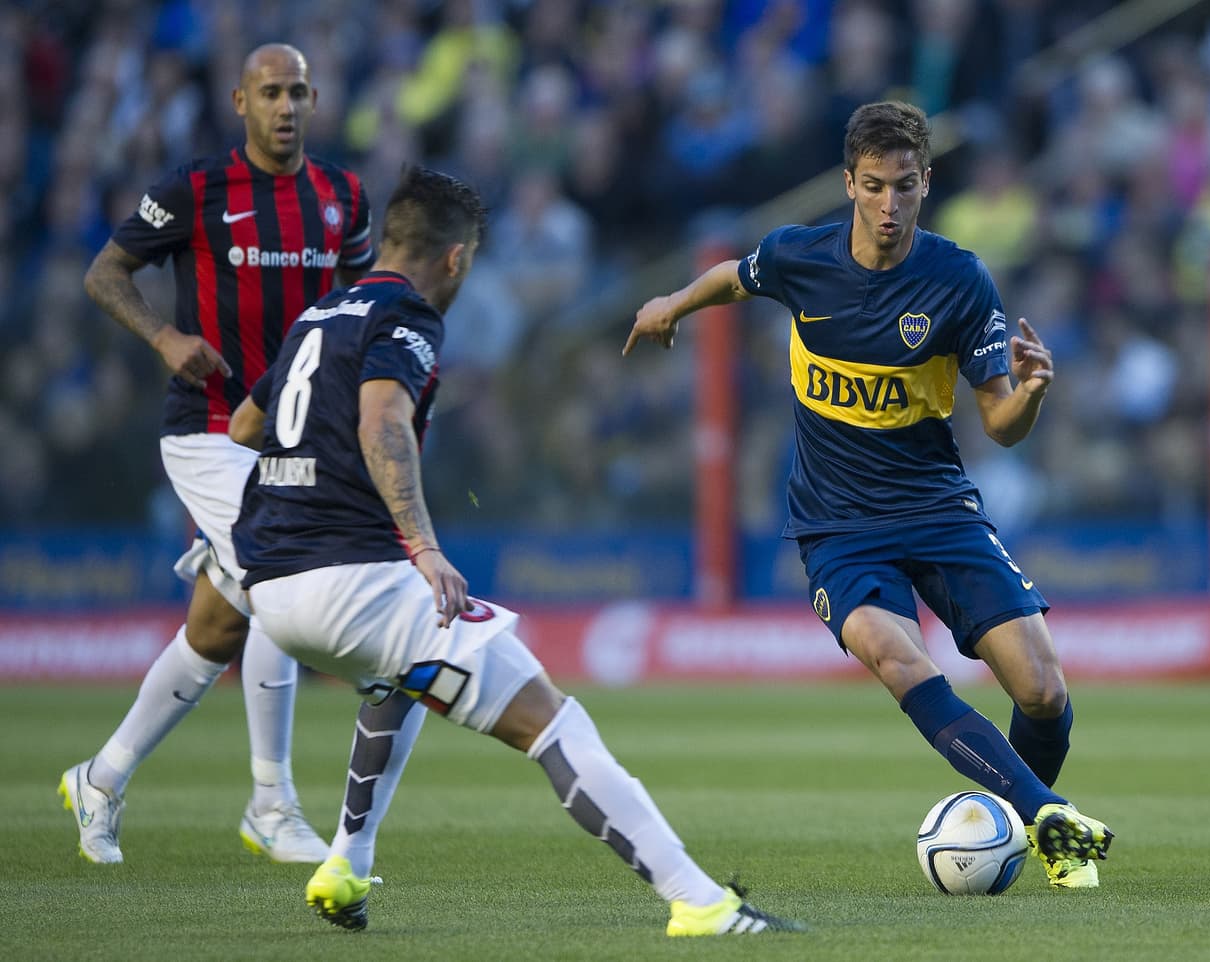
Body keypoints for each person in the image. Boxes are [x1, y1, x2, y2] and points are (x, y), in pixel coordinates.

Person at [225, 165, 802, 936]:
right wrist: (422, 546)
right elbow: (382, 421)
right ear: (456, 258)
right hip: (349, 582)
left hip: (272, 591)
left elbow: (244, 426)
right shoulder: (407, 315)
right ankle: (699, 902)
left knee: (401, 676)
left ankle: (347, 865)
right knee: (555, 723)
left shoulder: (320, 315)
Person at [623, 101, 1115, 889]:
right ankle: (1049, 817)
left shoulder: (959, 280)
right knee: (896, 656)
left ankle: (1020, 822)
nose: (891, 205)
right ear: (849, 183)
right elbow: (734, 277)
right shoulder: (799, 256)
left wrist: (1031, 393)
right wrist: (671, 305)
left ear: (928, 184)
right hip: (838, 526)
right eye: (876, 186)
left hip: (937, 509)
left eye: (906, 186)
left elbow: (1001, 424)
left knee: (1044, 691)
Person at [61, 43, 375, 865]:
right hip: (206, 427)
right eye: (270, 93)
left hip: (294, 437)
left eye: (297, 92)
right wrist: (164, 337)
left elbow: (360, 307)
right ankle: (271, 802)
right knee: (281, 576)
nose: (286, 107)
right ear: (240, 102)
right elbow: (105, 274)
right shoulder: (195, 189)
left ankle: (100, 777)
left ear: (314, 99)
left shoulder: (343, 197)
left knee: (219, 621)